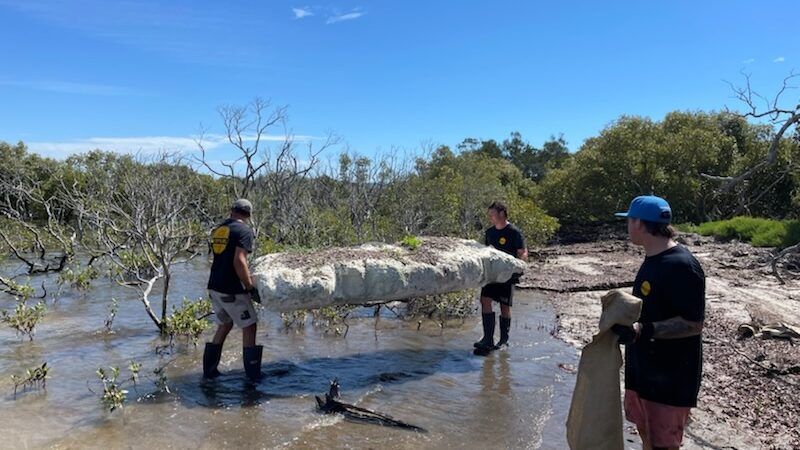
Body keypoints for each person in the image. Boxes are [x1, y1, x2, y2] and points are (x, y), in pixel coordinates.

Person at [612, 195, 705, 450]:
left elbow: (693, 323)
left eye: (629, 221)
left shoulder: (682, 266)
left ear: (639, 223)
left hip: (670, 380)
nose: (627, 226)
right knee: (647, 439)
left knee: (663, 444)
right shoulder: (653, 259)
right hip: (643, 373)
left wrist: (644, 329)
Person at [203, 198, 263, 381]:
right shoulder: (244, 231)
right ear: (249, 215)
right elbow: (239, 260)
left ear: (232, 210)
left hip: (214, 286)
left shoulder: (220, 229)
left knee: (225, 324)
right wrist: (250, 287)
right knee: (250, 325)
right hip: (231, 289)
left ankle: (209, 372)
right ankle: (252, 377)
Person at [474, 201, 528, 351]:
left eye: (492, 214)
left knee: (504, 306)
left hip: (507, 276)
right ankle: (488, 339)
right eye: (489, 214)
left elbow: (522, 251)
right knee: (485, 300)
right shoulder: (489, 232)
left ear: (502, 214)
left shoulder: (514, 232)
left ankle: (503, 340)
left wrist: (520, 266)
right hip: (491, 275)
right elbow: (486, 252)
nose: (490, 217)